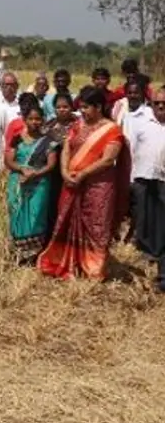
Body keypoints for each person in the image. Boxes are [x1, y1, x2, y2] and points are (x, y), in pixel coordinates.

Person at [38, 87, 131, 281]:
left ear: (99, 107)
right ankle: (69, 263)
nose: (82, 112)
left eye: (86, 107)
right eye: (80, 107)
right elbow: (66, 149)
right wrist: (65, 172)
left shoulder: (111, 130)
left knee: (96, 226)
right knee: (67, 222)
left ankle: (93, 269)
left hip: (99, 187)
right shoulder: (77, 125)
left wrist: (82, 174)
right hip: (72, 183)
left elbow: (108, 160)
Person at [4, 106, 59, 265]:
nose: (35, 122)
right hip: (18, 182)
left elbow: (51, 164)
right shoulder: (17, 138)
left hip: (39, 184)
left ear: (43, 120)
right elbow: (9, 161)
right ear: (24, 120)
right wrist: (22, 169)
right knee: (17, 214)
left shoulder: (48, 142)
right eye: (31, 119)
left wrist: (35, 174)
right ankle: (17, 253)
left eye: (38, 119)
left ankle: (33, 256)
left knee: (36, 215)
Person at [129, 88, 165, 292]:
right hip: (143, 181)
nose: (160, 106)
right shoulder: (141, 125)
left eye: (164, 103)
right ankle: (151, 263)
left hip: (163, 183)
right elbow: (132, 153)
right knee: (146, 227)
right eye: (156, 103)